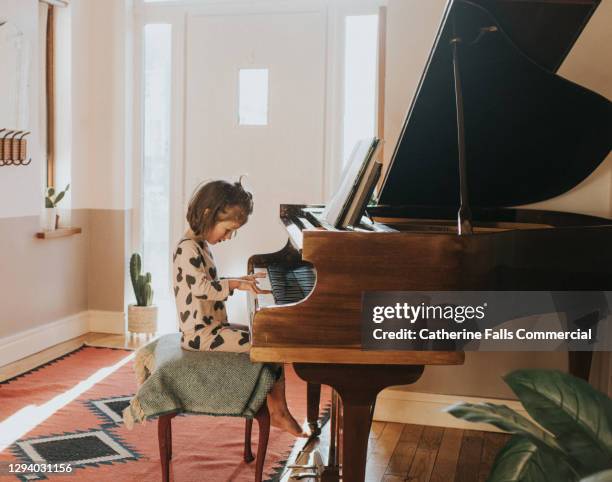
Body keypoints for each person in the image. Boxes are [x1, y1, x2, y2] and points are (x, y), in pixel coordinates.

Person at [173, 178, 306, 437]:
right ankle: (277, 411)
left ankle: (275, 407)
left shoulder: (200, 245)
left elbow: (208, 284)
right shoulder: (186, 249)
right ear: (208, 214)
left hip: (211, 329)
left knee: (265, 337)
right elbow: (203, 288)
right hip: (200, 337)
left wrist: (239, 281)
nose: (229, 236)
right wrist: (235, 284)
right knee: (267, 343)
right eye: (228, 229)